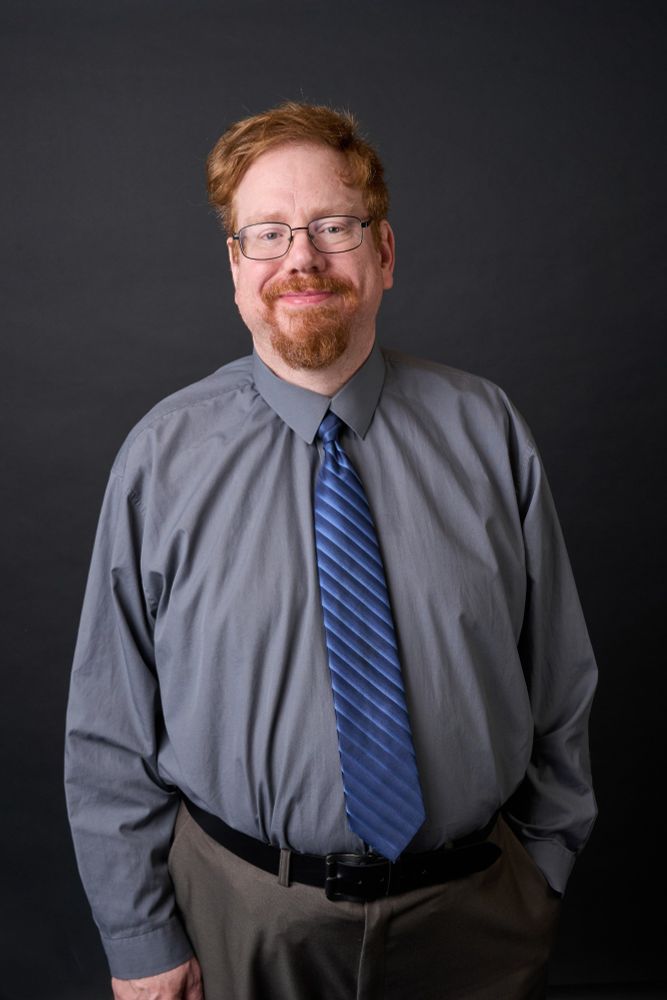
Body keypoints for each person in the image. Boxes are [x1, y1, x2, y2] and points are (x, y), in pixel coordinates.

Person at [65, 101, 597, 1000]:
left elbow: (560, 678)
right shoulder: (162, 456)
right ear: (236, 269)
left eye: (331, 226)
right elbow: (110, 729)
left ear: (383, 253)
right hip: (244, 920)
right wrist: (140, 937)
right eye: (266, 233)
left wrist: (541, 866)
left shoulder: (487, 429)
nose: (300, 258)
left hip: (475, 922)